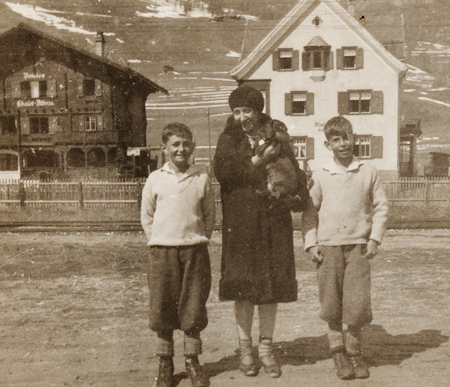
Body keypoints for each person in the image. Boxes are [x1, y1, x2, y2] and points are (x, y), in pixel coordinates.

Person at [214, 85, 309, 378]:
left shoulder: (277, 133)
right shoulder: (228, 138)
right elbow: (223, 173)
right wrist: (256, 161)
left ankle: (266, 349)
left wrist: (298, 194)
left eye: (248, 110)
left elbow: (293, 168)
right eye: (237, 111)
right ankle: (245, 349)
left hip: (273, 220)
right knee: (243, 287)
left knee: (270, 288)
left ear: (259, 110)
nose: (242, 117)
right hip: (241, 222)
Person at [302, 116, 388, 380]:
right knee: (331, 302)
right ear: (328, 144)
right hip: (328, 248)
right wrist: (311, 243)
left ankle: (354, 351)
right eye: (336, 140)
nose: (343, 144)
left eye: (347, 137)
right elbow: (309, 212)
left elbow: (381, 208)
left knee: (357, 302)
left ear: (354, 138)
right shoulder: (321, 174)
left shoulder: (368, 172)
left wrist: (374, 239)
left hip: (358, 248)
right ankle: (338, 352)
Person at [141, 123, 215, 387]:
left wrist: (194, 239)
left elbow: (209, 218)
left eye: (186, 144)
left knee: (193, 305)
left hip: (194, 251)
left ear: (192, 147)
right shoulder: (155, 179)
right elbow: (147, 217)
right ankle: (165, 363)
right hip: (162, 252)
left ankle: (192, 361)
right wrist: (160, 241)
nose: (181, 149)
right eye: (175, 144)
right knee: (162, 306)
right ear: (164, 148)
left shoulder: (201, 178)